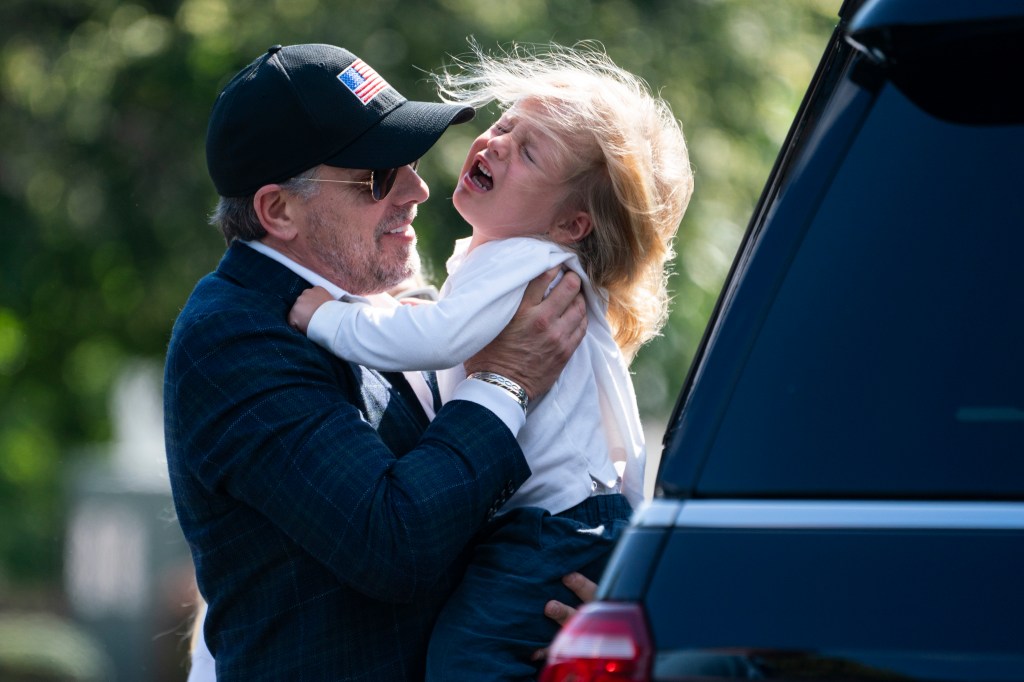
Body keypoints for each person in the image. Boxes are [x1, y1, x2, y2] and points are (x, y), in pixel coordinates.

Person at [164, 42, 590, 682]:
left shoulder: (402, 312)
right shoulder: (233, 338)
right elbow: (397, 543)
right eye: (378, 176)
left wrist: (573, 595)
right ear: (278, 210)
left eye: (412, 160)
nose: (418, 189)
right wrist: (508, 381)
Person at [287, 42, 694, 681]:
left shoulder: (520, 263)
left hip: (548, 530)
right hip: (577, 521)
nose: (497, 142)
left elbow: (437, 336)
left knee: (467, 661)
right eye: (505, 124)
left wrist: (328, 319)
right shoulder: (526, 263)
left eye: (530, 151)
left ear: (572, 225)